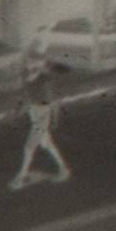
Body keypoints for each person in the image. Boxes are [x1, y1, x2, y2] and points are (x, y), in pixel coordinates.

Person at [10, 42, 72, 190]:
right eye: (29, 62)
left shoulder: (45, 80)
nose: (31, 65)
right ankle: (64, 169)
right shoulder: (26, 78)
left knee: (28, 147)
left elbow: (53, 103)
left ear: (40, 64)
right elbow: (27, 98)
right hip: (34, 114)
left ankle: (21, 177)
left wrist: (54, 120)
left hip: (42, 117)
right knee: (47, 145)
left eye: (35, 62)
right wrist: (18, 111)